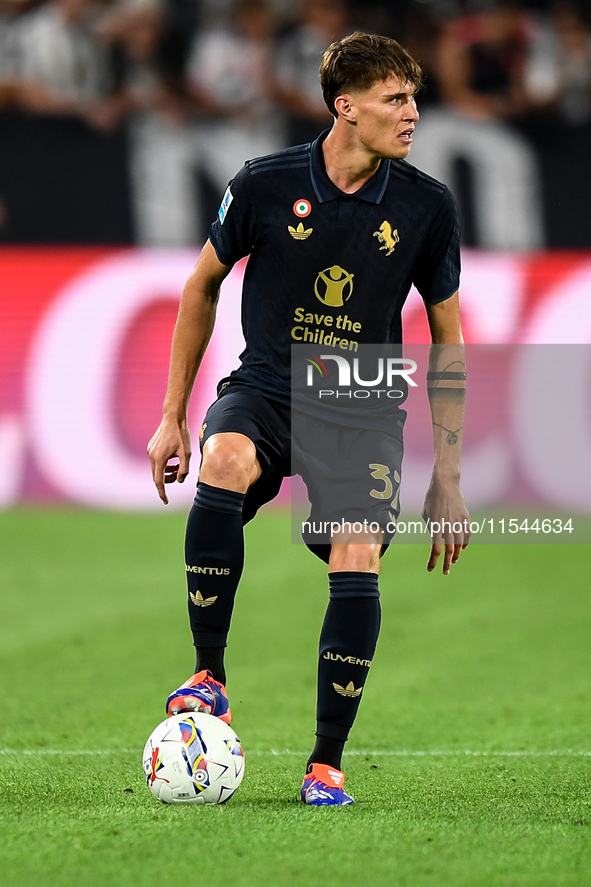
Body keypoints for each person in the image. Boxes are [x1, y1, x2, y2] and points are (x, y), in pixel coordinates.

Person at [148, 31, 470, 807]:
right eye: (395, 99)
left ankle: (325, 762)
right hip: (266, 384)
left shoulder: (426, 205)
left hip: (360, 399)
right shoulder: (264, 184)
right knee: (223, 458)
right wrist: (173, 416)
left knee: (356, 551)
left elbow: (448, 337)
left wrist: (448, 473)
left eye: (413, 99)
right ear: (344, 106)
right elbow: (200, 287)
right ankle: (208, 673)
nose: (412, 114)